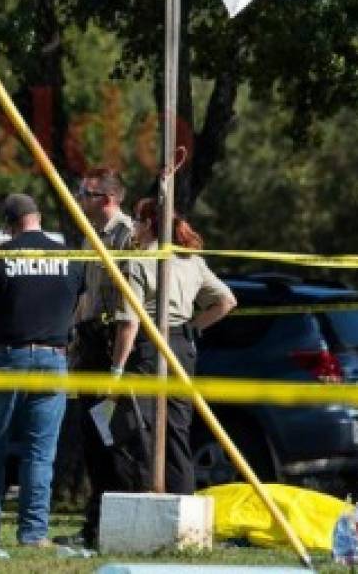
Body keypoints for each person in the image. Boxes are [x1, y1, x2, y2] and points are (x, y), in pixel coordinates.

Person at [0, 194, 82, 548]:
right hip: (53, 359)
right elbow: (81, 305)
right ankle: (33, 533)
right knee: (40, 453)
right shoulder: (69, 258)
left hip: (7, 358)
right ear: (39, 218)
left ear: (8, 224)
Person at [110, 198, 237, 495]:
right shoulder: (191, 260)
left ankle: (143, 501)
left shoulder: (139, 262)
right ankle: (182, 500)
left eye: (138, 222)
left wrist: (115, 370)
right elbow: (227, 301)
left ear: (149, 225)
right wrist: (192, 328)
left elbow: (129, 323)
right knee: (177, 431)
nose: (134, 228)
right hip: (182, 346)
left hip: (148, 348)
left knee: (141, 430)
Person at [67, 167, 141, 547]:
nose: (80, 199)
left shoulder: (128, 236)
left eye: (86, 193)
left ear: (107, 200)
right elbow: (86, 296)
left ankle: (117, 528)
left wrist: (118, 365)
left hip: (116, 345)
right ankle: (94, 527)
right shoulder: (90, 236)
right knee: (93, 438)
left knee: (116, 441)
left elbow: (131, 304)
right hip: (91, 342)